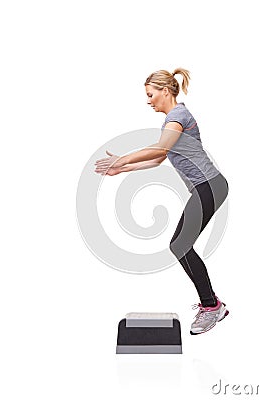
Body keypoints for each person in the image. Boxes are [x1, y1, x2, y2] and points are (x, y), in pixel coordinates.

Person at [94, 68, 229, 335]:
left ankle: (212, 306)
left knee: (180, 244)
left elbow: (159, 149)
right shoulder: (172, 120)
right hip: (207, 188)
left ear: (165, 91)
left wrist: (120, 159)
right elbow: (158, 159)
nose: (148, 100)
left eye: (150, 94)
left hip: (209, 186)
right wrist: (122, 169)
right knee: (180, 245)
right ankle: (211, 304)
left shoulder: (177, 117)